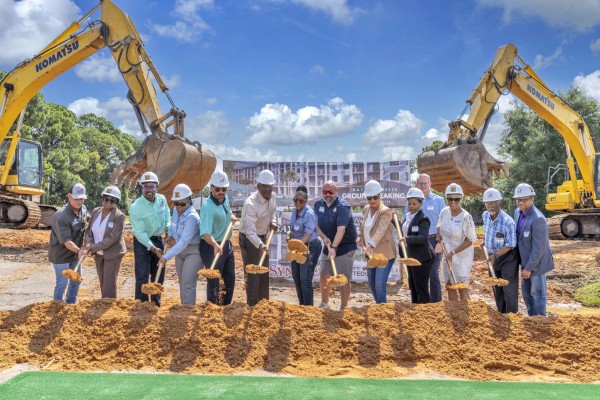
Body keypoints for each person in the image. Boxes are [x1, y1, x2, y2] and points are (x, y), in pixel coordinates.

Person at [129, 171, 170, 306]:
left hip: (158, 240)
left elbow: (167, 217)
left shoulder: (162, 200)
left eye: (152, 186)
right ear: (142, 188)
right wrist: (152, 247)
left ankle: (155, 302)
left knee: (159, 272)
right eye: (146, 187)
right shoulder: (136, 208)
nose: (149, 190)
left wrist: (168, 230)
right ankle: (141, 304)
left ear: (156, 187)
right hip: (142, 243)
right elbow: (139, 233)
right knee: (142, 275)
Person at [315, 180, 357, 310]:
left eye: (330, 192)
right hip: (328, 244)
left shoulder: (342, 206)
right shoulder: (318, 204)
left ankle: (343, 308)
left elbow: (341, 230)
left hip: (344, 246)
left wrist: (334, 247)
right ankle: (325, 304)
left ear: (336, 191)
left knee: (343, 279)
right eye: (324, 192)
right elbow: (316, 225)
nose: (327, 194)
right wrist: (324, 237)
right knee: (323, 275)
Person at [513, 183, 554, 316]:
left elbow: (539, 247)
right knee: (526, 293)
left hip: (537, 263)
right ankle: (532, 319)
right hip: (525, 261)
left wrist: (529, 268)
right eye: (518, 199)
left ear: (532, 199)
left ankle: (540, 320)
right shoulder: (517, 213)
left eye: (524, 200)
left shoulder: (538, 219)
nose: (521, 203)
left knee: (537, 293)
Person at [239, 169, 277, 306]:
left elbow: (273, 213)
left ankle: (264, 304)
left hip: (262, 236)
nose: (267, 189)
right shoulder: (250, 203)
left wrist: (273, 222)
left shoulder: (272, 198)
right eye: (264, 186)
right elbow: (250, 232)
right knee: (253, 272)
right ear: (258, 186)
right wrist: (260, 245)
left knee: (264, 271)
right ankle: (253, 305)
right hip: (249, 239)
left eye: (269, 186)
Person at [159, 183, 201, 305]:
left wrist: (166, 257)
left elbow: (183, 242)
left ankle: (188, 311)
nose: (179, 207)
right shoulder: (177, 211)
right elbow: (173, 224)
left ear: (190, 201)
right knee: (182, 282)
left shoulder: (193, 217)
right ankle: (184, 308)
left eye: (182, 204)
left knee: (188, 283)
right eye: (176, 203)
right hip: (180, 252)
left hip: (193, 252)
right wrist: (170, 235)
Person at [435, 183, 477, 301]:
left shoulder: (466, 217)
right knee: (450, 285)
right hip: (448, 252)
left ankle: (466, 314)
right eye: (450, 199)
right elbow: (439, 225)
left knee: (461, 286)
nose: (453, 202)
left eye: (456, 199)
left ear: (461, 199)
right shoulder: (444, 212)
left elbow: (470, 240)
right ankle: (455, 313)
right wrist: (439, 238)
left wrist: (453, 252)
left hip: (462, 255)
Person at [200, 171, 237, 305]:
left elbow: (226, 208)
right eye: (218, 189)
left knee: (230, 279)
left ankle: (225, 307)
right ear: (212, 188)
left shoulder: (224, 199)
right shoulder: (207, 207)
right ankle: (213, 309)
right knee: (214, 280)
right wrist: (215, 245)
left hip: (226, 244)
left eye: (224, 189)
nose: (221, 192)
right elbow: (205, 233)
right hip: (211, 246)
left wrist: (231, 215)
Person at [83, 185, 126, 299]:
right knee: (102, 279)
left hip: (113, 253)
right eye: (106, 199)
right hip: (98, 253)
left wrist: (92, 248)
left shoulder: (119, 216)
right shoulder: (96, 211)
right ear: (102, 199)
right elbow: (88, 231)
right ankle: (104, 301)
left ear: (117, 202)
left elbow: (113, 237)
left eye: (112, 200)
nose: (108, 202)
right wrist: (88, 243)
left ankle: (108, 305)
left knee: (109, 282)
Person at [48, 183, 88, 304]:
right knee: (62, 282)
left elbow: (84, 226)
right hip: (61, 254)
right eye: (76, 198)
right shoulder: (62, 216)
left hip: (75, 253)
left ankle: (71, 303)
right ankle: (57, 304)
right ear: (69, 196)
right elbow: (66, 241)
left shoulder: (83, 210)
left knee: (76, 279)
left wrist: (86, 243)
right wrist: (79, 250)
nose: (79, 201)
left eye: (81, 198)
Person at [358, 180, 396, 304]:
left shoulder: (386, 211)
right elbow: (364, 227)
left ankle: (382, 314)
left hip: (384, 254)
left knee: (380, 285)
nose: (372, 200)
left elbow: (380, 230)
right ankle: (379, 309)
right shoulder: (366, 209)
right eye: (369, 198)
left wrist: (369, 245)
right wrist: (361, 237)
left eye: (375, 197)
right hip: (371, 255)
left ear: (380, 195)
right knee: (372, 284)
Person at [482, 188, 518, 313]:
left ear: (500, 203)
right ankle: (501, 314)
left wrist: (495, 256)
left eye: (493, 203)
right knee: (496, 287)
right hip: (492, 256)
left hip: (507, 257)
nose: (490, 206)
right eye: (488, 203)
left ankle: (512, 316)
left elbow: (510, 244)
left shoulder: (508, 222)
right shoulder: (485, 216)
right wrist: (486, 242)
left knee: (508, 288)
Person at [411, 173, 445, 302]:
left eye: (426, 183)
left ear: (430, 184)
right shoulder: (412, 201)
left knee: (432, 272)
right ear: (417, 185)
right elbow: (407, 221)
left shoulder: (438, 200)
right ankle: (422, 302)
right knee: (418, 272)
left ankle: (436, 303)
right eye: (421, 183)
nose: (423, 185)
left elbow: (443, 222)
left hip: (433, 240)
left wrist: (439, 242)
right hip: (417, 242)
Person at [399, 188, 435, 304]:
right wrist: (393, 221)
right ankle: (414, 311)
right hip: (411, 256)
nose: (411, 206)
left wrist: (408, 239)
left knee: (421, 287)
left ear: (421, 203)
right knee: (413, 286)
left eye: (414, 203)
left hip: (422, 257)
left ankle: (424, 313)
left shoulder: (423, 219)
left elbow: (423, 238)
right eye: (409, 203)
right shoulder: (409, 217)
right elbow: (403, 232)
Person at [289, 184, 322, 306]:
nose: (297, 203)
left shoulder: (309, 214)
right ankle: (302, 307)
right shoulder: (294, 211)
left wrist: (295, 247)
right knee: (296, 278)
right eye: (295, 200)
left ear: (306, 201)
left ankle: (308, 309)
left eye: (301, 201)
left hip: (310, 247)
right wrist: (291, 240)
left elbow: (307, 236)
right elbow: (293, 231)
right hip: (297, 247)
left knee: (305, 279)